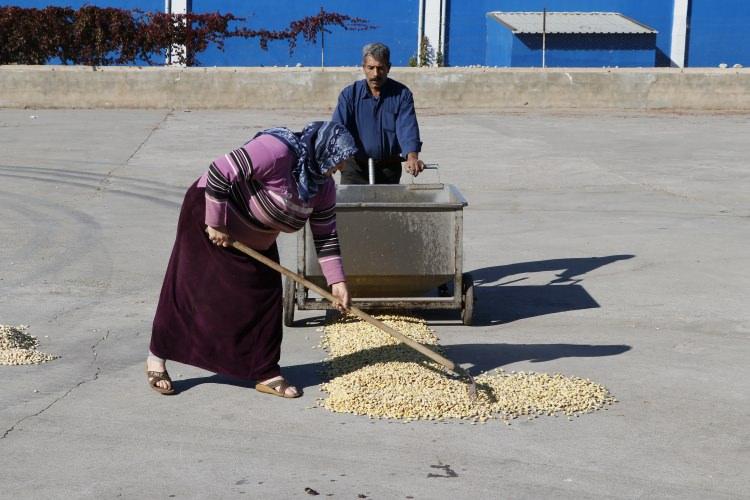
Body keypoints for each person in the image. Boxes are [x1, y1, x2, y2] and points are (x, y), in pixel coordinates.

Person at [146, 121, 356, 398]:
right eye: (338, 159)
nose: (339, 168)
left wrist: (337, 283)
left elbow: (326, 235)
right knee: (191, 290)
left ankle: (265, 371)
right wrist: (215, 223)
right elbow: (219, 171)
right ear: (323, 149)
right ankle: (157, 355)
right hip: (209, 221)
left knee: (265, 298)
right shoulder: (276, 151)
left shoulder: (322, 186)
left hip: (256, 240)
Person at [332, 42, 425, 184]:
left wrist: (412, 157)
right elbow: (338, 129)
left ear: (388, 68)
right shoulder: (349, 95)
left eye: (380, 68)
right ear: (364, 68)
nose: (376, 74)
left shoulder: (402, 95)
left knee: (385, 206)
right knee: (352, 205)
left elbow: (407, 128)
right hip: (355, 169)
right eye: (371, 68)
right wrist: (337, 156)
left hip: (388, 169)